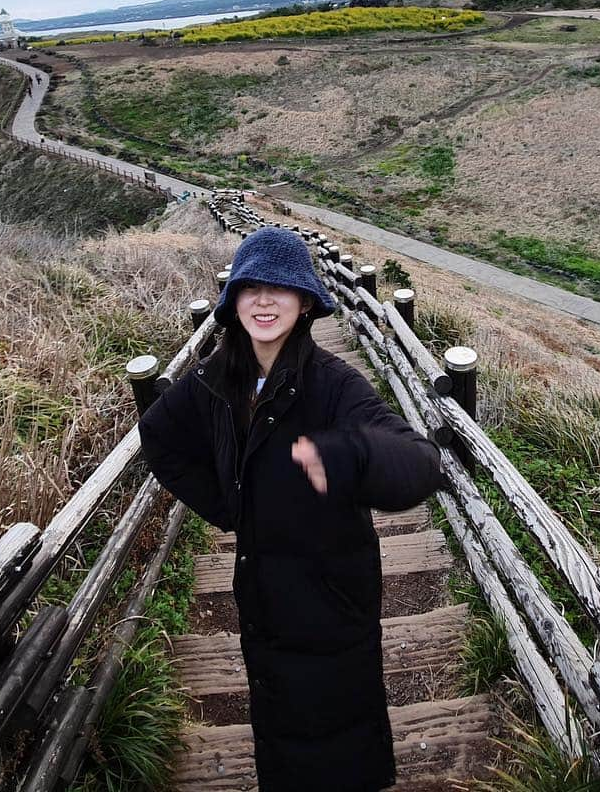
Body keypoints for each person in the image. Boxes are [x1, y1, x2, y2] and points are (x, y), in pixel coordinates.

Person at [138, 227, 444, 791]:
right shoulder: (213, 379)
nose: (263, 299)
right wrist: (233, 506)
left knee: (342, 731)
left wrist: (350, 454)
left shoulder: (334, 386)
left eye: (280, 287)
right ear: (234, 299)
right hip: (261, 597)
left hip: (332, 598)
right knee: (279, 728)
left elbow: (420, 463)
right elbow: (160, 438)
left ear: (305, 302)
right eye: (250, 286)